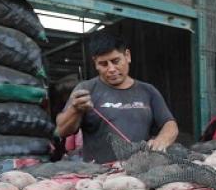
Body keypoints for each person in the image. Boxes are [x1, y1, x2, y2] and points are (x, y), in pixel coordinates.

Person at [55, 32, 179, 163]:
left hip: (139, 169)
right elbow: (61, 130)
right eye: (103, 64)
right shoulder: (86, 89)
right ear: (95, 64)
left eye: (115, 61)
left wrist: (161, 141)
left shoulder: (148, 91)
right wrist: (75, 110)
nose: (111, 69)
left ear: (127, 56)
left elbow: (170, 124)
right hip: (98, 175)